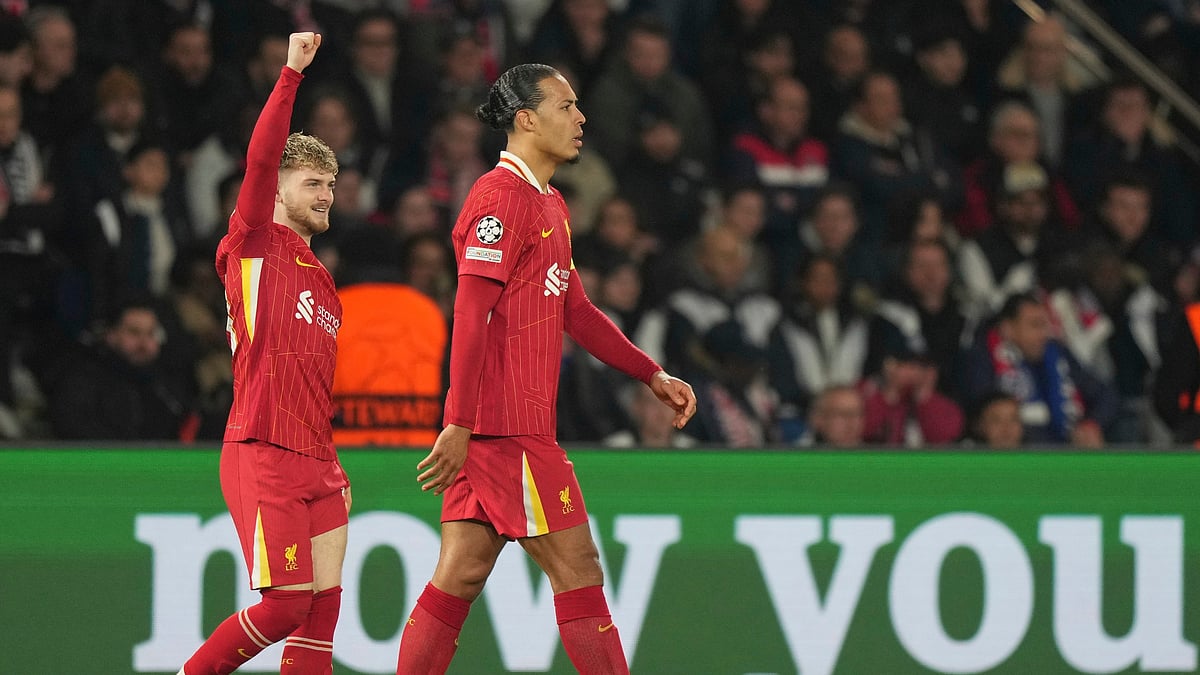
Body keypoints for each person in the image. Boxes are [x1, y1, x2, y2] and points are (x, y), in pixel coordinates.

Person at [395, 63, 697, 675]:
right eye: (566, 107)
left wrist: (651, 374)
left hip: (501, 428)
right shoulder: (497, 200)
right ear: (526, 119)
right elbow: (470, 314)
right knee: (579, 572)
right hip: (507, 431)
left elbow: (576, 310)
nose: (581, 118)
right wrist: (458, 423)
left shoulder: (549, 203)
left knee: (460, 575)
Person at [176, 32, 350, 675]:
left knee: (321, 615)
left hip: (321, 463)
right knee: (283, 607)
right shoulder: (253, 246)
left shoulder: (325, 282)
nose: (326, 193)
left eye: (331, 183)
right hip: (264, 449)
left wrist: (332, 465)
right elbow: (257, 161)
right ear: (277, 189)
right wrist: (291, 74)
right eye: (312, 182)